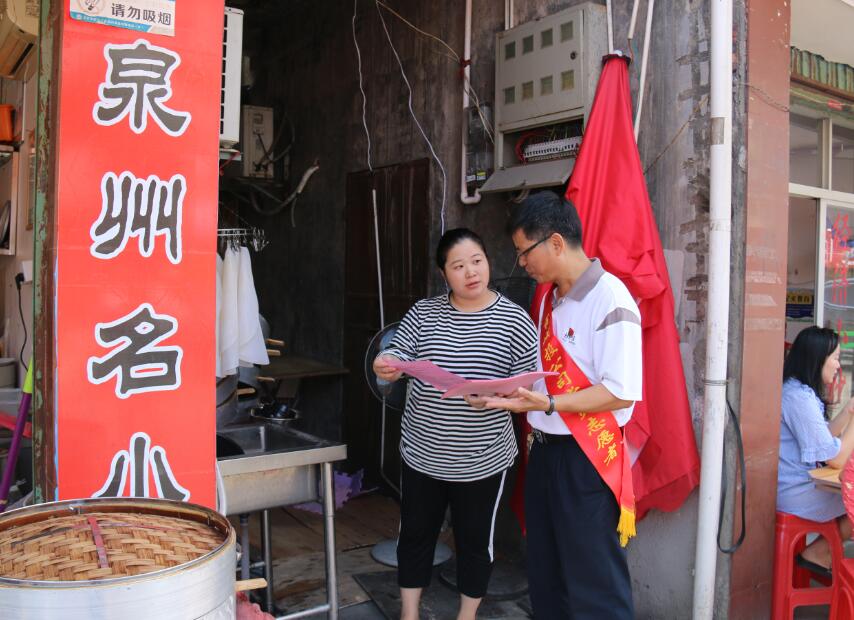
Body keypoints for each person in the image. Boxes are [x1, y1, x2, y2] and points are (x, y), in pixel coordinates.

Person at [482, 191, 640, 619]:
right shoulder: (549, 300)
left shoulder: (611, 298)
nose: (521, 263)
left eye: (524, 252)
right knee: (546, 574)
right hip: (545, 454)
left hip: (585, 460)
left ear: (555, 242)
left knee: (594, 584)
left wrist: (550, 403)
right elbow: (546, 379)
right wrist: (507, 395)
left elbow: (621, 391)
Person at [372, 227, 538, 620]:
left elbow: (528, 388)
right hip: (423, 454)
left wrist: (495, 399)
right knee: (415, 536)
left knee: (475, 542)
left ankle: (467, 615)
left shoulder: (514, 320)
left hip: (483, 459)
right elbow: (398, 351)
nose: (471, 272)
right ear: (443, 273)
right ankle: (409, 613)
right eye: (458, 266)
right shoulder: (424, 313)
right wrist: (386, 363)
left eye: (477, 261)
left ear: (488, 262)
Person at [778, 326, 854, 576]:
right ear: (818, 358)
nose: (838, 366)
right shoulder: (797, 397)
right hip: (794, 492)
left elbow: (823, 439)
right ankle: (819, 552)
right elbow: (835, 459)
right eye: (835, 358)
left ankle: (821, 551)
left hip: (800, 485)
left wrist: (849, 410)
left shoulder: (799, 392)